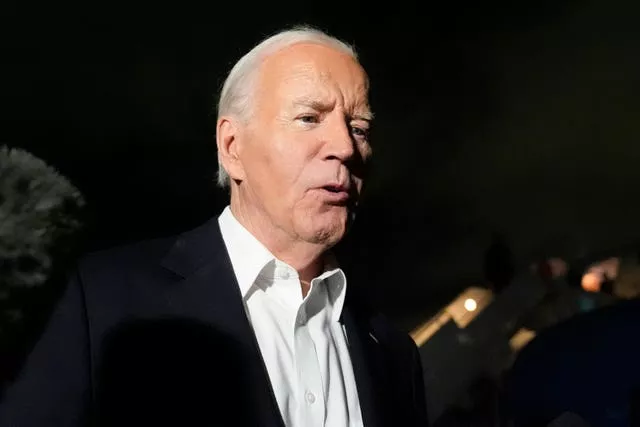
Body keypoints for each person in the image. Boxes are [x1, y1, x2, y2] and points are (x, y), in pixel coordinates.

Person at [0, 26, 428, 426]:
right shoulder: (97, 302)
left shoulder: (394, 354)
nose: (344, 147)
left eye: (359, 127)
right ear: (232, 147)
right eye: (309, 118)